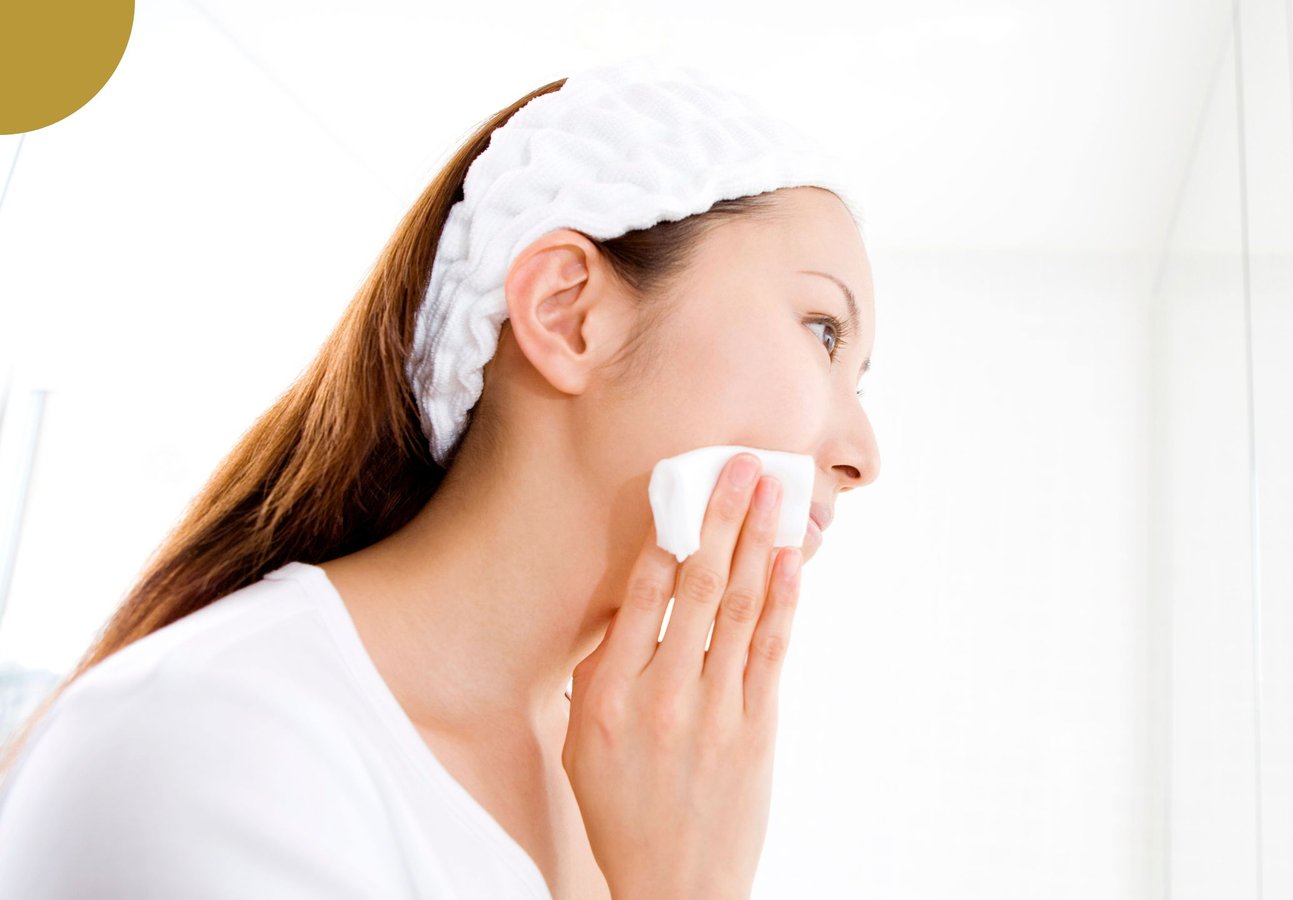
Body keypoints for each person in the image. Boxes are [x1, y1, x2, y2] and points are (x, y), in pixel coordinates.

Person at [0, 57, 879, 899]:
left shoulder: (631, 794)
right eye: (823, 331)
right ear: (566, 314)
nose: (864, 454)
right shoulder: (218, 740)